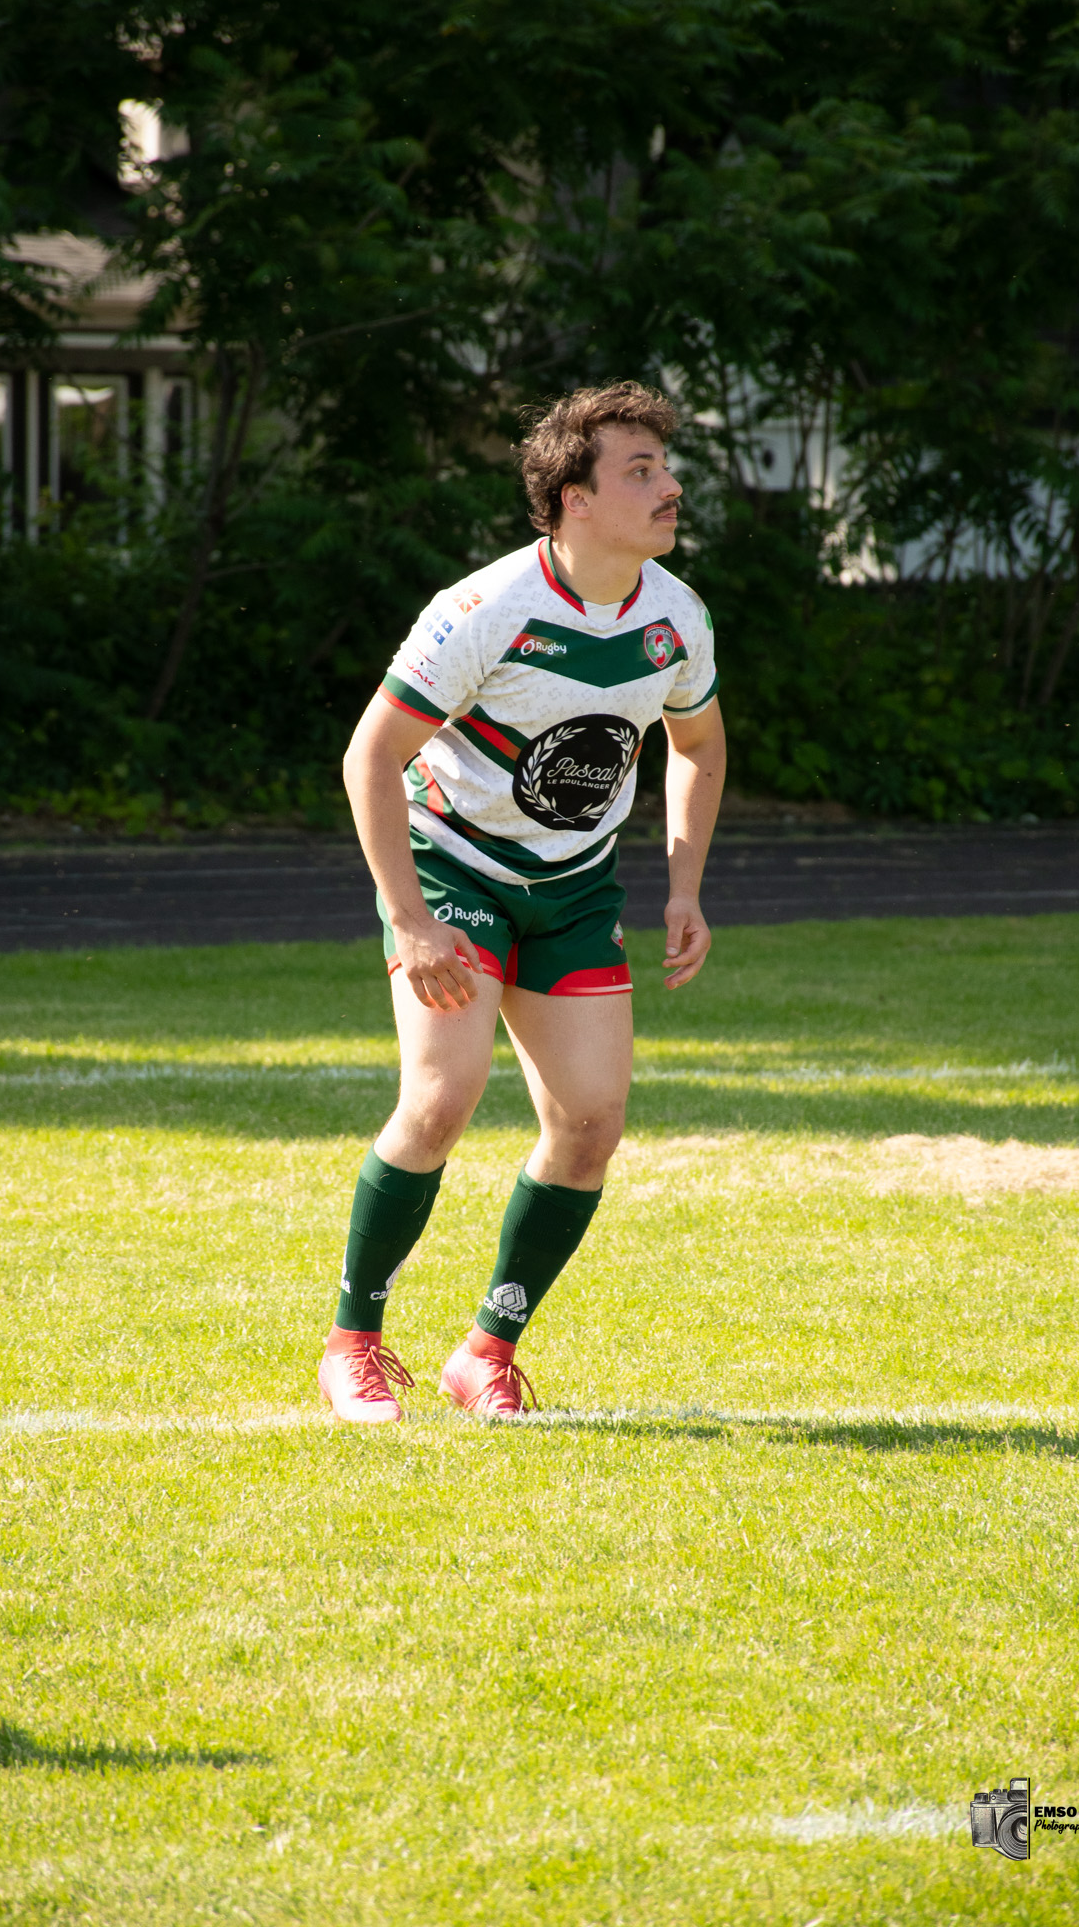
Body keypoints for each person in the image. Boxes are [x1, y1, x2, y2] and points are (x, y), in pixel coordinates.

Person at [318, 381, 726, 1423]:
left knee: (590, 1124)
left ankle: (485, 1349)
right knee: (440, 1100)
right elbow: (373, 755)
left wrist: (684, 885)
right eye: (640, 471)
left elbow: (699, 746)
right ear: (572, 499)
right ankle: (353, 1342)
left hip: (577, 888)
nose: (669, 486)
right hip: (455, 871)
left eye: (664, 467)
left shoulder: (675, 616)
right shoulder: (487, 610)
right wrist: (409, 918)